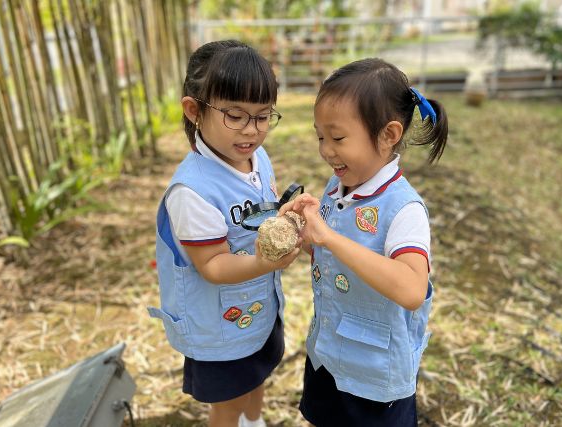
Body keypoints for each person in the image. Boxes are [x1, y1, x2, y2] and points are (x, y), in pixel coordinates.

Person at [279, 58, 448, 426]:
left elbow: (411, 288)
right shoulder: (336, 188)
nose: (326, 150)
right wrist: (303, 234)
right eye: (320, 136)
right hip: (327, 356)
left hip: (375, 376)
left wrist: (330, 238)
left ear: (388, 135)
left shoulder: (403, 209)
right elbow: (332, 253)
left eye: (338, 138)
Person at [148, 40, 300, 427]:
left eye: (263, 116)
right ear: (194, 110)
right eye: (235, 116)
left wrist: (288, 218)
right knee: (227, 403)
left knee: (258, 374)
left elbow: (262, 210)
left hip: (259, 310)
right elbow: (213, 265)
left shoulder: (256, 158)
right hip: (219, 327)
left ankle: (253, 421)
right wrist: (266, 262)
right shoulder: (192, 192)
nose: (251, 131)